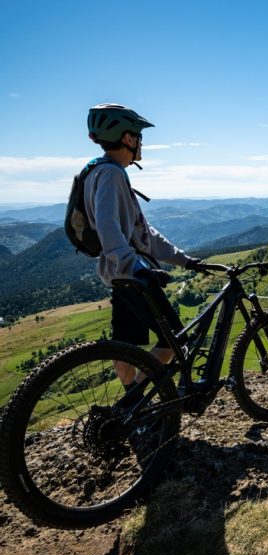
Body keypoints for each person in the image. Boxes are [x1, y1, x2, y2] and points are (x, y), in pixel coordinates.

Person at [84, 103, 200, 387]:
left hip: (117, 275)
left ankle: (130, 404)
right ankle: (136, 404)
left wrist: (185, 260)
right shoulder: (111, 174)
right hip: (132, 276)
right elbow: (108, 226)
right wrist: (136, 266)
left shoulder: (96, 171)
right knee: (175, 338)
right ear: (127, 138)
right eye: (138, 136)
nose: (141, 142)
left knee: (127, 345)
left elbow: (143, 234)